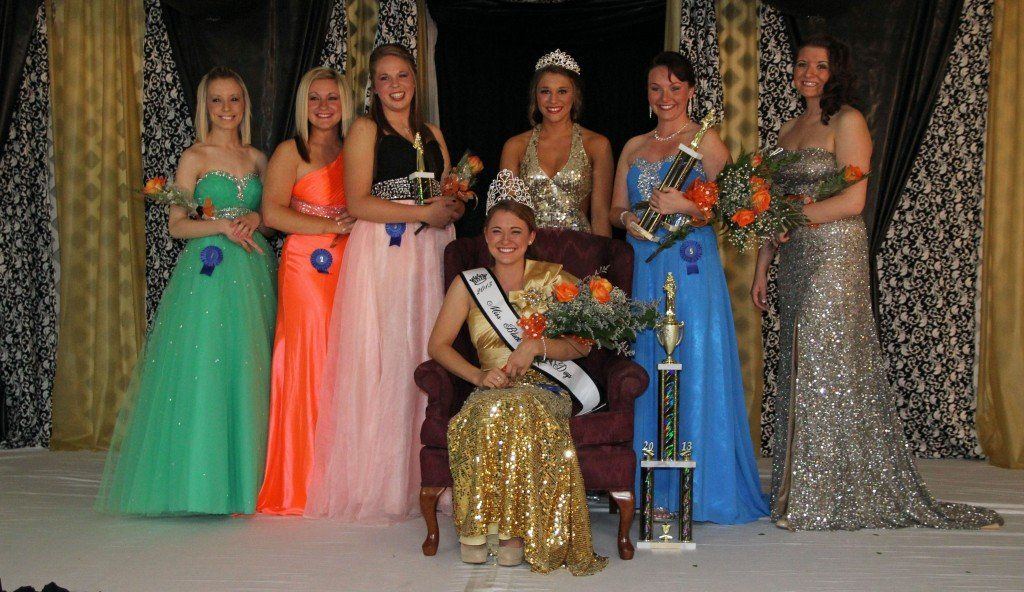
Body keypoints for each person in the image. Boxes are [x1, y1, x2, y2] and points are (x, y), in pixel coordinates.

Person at [751, 35, 1003, 531]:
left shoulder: (848, 121)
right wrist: (762, 267)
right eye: (802, 64)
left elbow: (853, 200)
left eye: (820, 66)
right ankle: (803, 489)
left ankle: (823, 498)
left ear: (836, 72)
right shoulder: (787, 128)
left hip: (835, 254)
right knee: (801, 363)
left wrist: (794, 219)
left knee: (825, 363)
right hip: (795, 257)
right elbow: (770, 208)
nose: (808, 73)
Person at [96, 67, 275, 515]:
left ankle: (249, 481)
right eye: (217, 100)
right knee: (207, 365)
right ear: (205, 107)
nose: (226, 108)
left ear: (245, 104)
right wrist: (222, 227)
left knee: (248, 368)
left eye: (234, 99)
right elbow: (176, 226)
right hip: (209, 272)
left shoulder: (258, 158)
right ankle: (201, 483)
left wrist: (256, 219)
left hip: (253, 271)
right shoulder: (194, 157)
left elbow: (272, 218)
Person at [304, 44, 463, 523]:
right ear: (373, 87)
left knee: (428, 349)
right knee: (391, 354)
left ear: (415, 80)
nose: (395, 86)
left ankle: (431, 474)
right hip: (385, 252)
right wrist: (422, 214)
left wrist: (453, 205)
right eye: (385, 78)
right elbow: (357, 202)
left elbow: (448, 191)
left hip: (430, 251)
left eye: (403, 76)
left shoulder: (433, 133)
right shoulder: (365, 130)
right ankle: (386, 481)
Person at [611, 51, 768, 524]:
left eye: (675, 88)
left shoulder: (707, 142)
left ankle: (701, 489)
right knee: (649, 363)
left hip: (691, 267)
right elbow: (615, 208)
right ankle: (652, 486)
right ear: (647, 93)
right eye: (657, 88)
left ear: (691, 91)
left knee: (692, 360)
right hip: (646, 265)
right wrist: (629, 220)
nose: (666, 97)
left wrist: (685, 206)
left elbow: (735, 208)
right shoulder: (634, 146)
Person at [426, 199, 606, 575]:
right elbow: (437, 346)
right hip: (492, 386)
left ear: (531, 237)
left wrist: (537, 347)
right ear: (485, 237)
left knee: (521, 407)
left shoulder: (554, 279)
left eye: (515, 232)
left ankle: (512, 536)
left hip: (548, 386)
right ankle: (479, 530)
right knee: (489, 411)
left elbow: (583, 345)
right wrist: (477, 377)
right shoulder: (469, 283)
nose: (505, 240)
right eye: (496, 231)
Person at [256, 67, 354, 515]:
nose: (323, 107)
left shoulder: (354, 148)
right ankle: (301, 476)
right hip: (305, 265)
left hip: (350, 260)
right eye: (314, 98)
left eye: (332, 98)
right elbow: (273, 214)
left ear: (345, 102)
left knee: (344, 357)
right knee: (309, 358)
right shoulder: (289, 151)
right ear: (303, 104)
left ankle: (341, 475)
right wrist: (329, 226)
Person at [499, 49, 613, 236]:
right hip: (529, 247)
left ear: (574, 95)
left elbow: (600, 216)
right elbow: (508, 214)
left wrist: (603, 254)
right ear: (536, 95)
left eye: (562, 91)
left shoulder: (597, 145)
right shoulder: (515, 146)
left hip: (579, 248)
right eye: (545, 91)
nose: (553, 100)